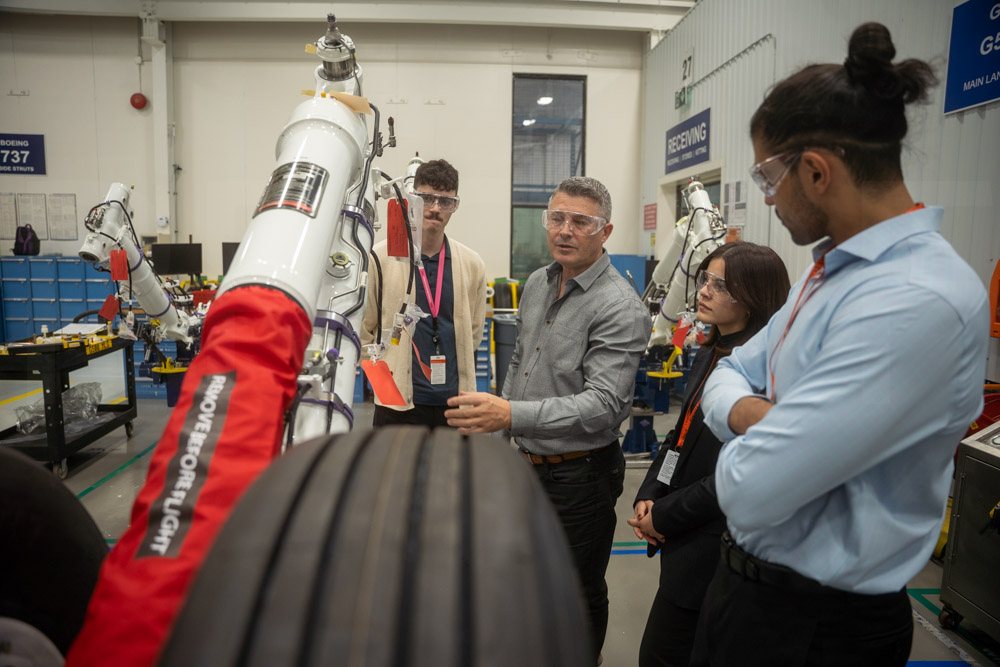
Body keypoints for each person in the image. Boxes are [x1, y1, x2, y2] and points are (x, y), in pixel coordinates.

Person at [691, 22, 989, 666]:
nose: (769, 196)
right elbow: (728, 368)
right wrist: (755, 414)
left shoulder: (915, 301)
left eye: (770, 177)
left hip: (816, 629)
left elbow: (751, 486)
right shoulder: (826, 275)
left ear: (817, 171)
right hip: (746, 594)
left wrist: (755, 428)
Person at [444, 176, 652, 666]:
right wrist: (501, 413)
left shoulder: (619, 307)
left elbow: (604, 404)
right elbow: (521, 361)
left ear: (606, 231)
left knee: (576, 591)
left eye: (581, 221)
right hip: (528, 464)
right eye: (556, 218)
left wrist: (511, 412)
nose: (565, 230)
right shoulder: (538, 282)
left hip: (580, 475)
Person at [628, 241, 789, 667]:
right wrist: (651, 490)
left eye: (722, 285)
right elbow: (677, 438)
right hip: (683, 545)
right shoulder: (710, 351)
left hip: (717, 550)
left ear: (755, 299)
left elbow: (735, 477)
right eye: (705, 280)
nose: (704, 291)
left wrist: (664, 515)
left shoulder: (761, 377)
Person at [361, 158, 486, 427]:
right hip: (397, 404)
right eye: (427, 199)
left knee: (449, 470)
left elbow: (473, 332)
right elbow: (365, 329)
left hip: (453, 404)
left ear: (454, 206)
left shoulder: (472, 263)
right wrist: (382, 387)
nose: (435, 209)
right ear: (412, 200)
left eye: (445, 201)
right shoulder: (380, 258)